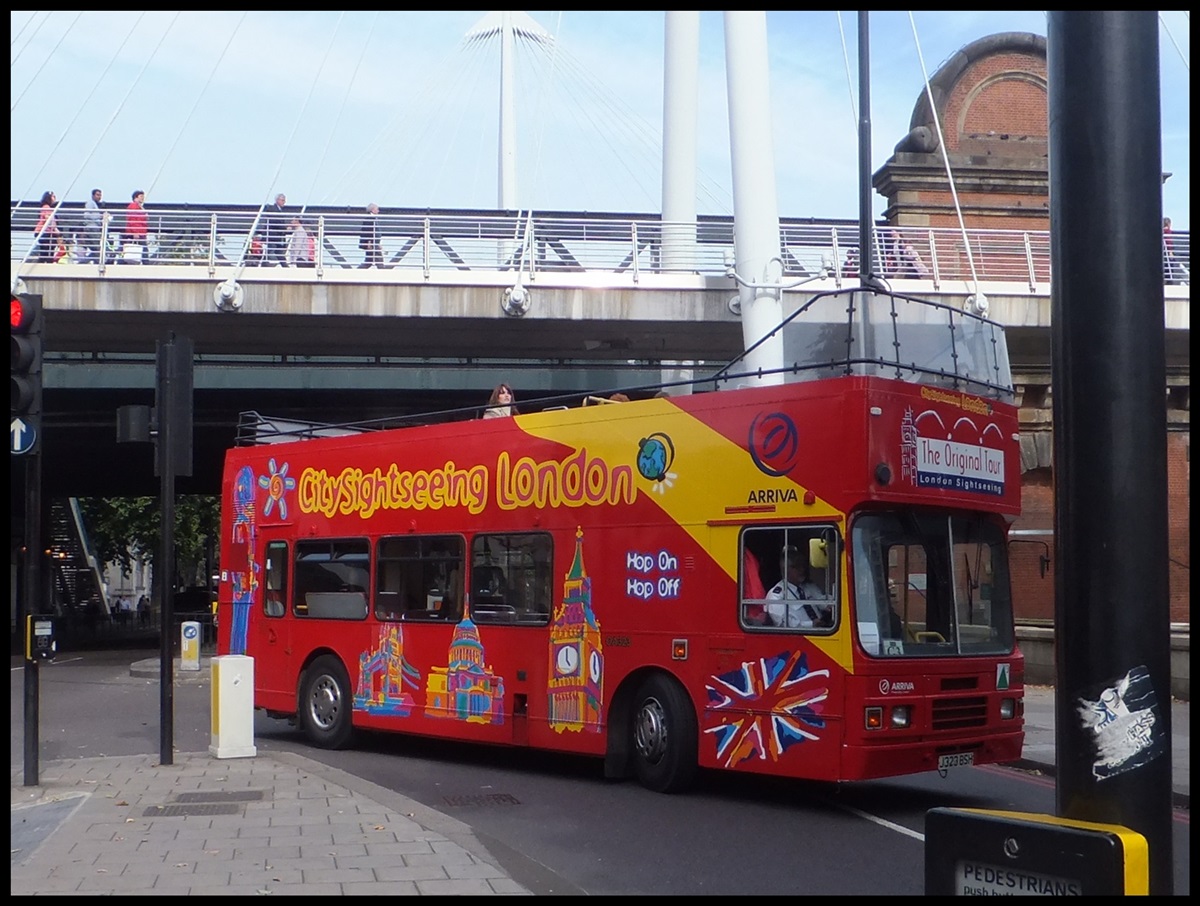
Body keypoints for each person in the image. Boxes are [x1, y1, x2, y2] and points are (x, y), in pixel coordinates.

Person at [765, 545, 830, 628]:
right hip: (801, 636)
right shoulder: (776, 596)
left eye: (803, 566)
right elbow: (784, 623)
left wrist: (829, 605)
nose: (802, 570)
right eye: (798, 567)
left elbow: (822, 599)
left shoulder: (809, 586)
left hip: (824, 632)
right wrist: (812, 624)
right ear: (786, 569)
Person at [80, 188, 107, 263]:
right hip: (92, 228)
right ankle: (83, 262)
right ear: (93, 195)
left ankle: (86, 262)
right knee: (97, 249)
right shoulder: (90, 203)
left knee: (96, 249)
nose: (99, 197)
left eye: (100, 195)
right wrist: (99, 216)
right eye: (97, 195)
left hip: (95, 228)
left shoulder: (95, 204)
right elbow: (86, 215)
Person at [34, 191, 61, 263]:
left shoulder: (47, 208)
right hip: (44, 232)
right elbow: (48, 219)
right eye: (53, 196)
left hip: (46, 232)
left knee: (47, 250)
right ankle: (45, 263)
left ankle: (45, 262)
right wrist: (55, 230)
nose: (55, 198)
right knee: (47, 251)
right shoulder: (46, 207)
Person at [123, 190, 148, 263]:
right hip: (137, 232)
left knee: (139, 249)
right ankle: (146, 264)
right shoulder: (133, 206)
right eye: (141, 196)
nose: (142, 198)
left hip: (140, 232)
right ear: (135, 198)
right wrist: (135, 232)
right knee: (143, 250)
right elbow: (132, 219)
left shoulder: (139, 207)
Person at [265, 193, 288, 265]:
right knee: (272, 253)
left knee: (279, 253)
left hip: (278, 237)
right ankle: (269, 265)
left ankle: (284, 265)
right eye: (282, 200)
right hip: (273, 236)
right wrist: (285, 227)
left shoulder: (278, 210)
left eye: (284, 200)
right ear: (277, 200)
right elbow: (275, 221)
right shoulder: (272, 209)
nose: (284, 202)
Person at [359, 202, 382, 268]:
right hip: (372, 244)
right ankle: (384, 275)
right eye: (377, 209)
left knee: (368, 261)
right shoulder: (370, 219)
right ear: (372, 210)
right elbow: (368, 231)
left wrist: (378, 243)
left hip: (374, 243)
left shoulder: (372, 218)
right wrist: (369, 242)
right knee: (379, 261)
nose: (378, 211)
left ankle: (356, 272)